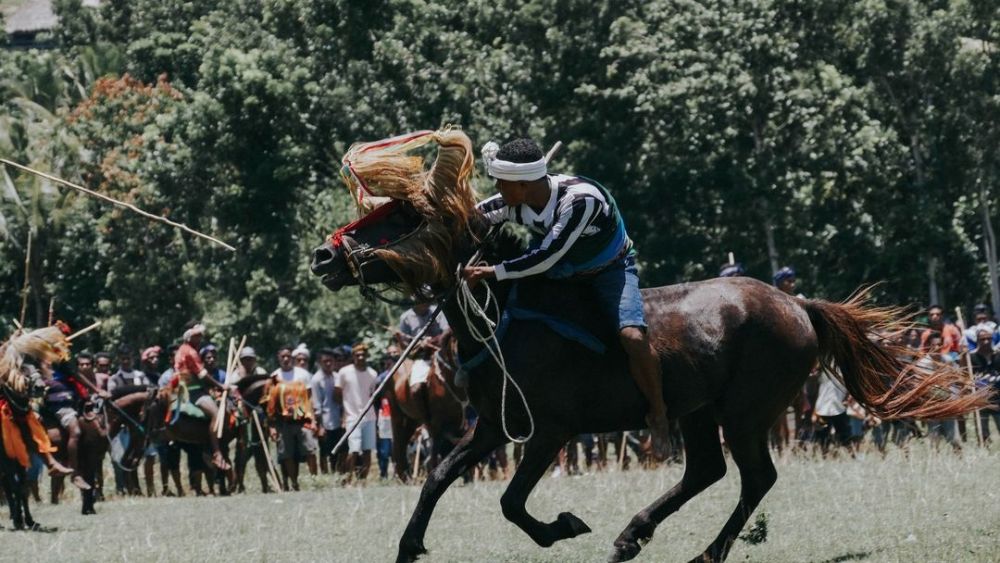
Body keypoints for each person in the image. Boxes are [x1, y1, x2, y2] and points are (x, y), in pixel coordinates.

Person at [466, 138, 669, 454]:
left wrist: (493, 271)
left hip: (609, 269)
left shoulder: (580, 201)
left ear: (523, 185)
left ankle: (659, 414)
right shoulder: (511, 199)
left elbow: (547, 255)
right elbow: (471, 218)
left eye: (501, 182)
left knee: (631, 337)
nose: (497, 187)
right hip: (563, 269)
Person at [169, 323, 230, 470]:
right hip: (193, 391)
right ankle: (216, 452)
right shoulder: (190, 352)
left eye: (201, 336)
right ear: (189, 336)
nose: (200, 339)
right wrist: (220, 386)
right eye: (197, 336)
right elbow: (202, 375)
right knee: (217, 414)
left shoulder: (182, 350)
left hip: (186, 388)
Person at [267, 345, 318, 490]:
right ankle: (294, 483)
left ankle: (314, 481)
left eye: (288, 356)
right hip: (284, 422)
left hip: (303, 420)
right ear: (278, 358)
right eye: (282, 356)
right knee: (287, 454)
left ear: (292, 358)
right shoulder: (275, 377)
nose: (285, 359)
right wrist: (272, 426)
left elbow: (310, 398)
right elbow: (271, 404)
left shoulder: (303, 374)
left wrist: (313, 420)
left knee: (310, 451)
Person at [336, 343, 378, 481]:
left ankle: (363, 481)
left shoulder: (373, 374)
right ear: (353, 356)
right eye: (357, 355)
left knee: (367, 451)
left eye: (363, 355)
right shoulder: (344, 372)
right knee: (353, 450)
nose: (360, 357)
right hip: (352, 417)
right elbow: (337, 395)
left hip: (370, 416)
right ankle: (347, 479)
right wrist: (344, 414)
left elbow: (373, 396)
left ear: (367, 356)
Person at [310, 348, 344, 475]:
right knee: (324, 451)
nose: (328, 364)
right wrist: (320, 426)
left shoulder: (337, 377)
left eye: (330, 361)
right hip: (325, 421)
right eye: (325, 361)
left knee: (337, 450)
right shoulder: (316, 379)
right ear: (320, 362)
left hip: (337, 419)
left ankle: (337, 473)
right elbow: (317, 405)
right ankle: (325, 474)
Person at [970, 328, 1000, 442]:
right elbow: (964, 373)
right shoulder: (972, 357)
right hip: (980, 400)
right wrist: (963, 355)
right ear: (977, 340)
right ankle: (984, 453)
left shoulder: (998, 356)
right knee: (983, 432)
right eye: (983, 339)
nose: (986, 341)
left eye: (989, 338)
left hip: (998, 399)